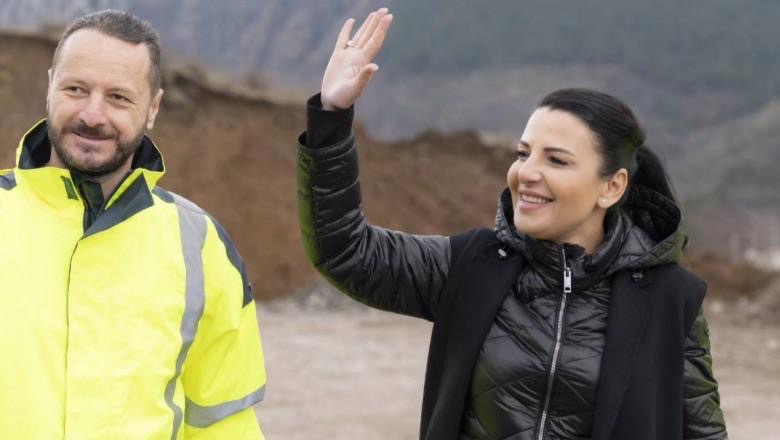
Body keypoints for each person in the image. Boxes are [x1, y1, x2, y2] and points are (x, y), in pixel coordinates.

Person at [297, 8, 727, 440]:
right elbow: (345, 251)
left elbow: (703, 432)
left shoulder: (671, 299)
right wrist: (332, 117)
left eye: (556, 160)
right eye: (524, 153)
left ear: (611, 187)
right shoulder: (471, 266)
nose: (527, 172)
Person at [0, 10, 266, 439]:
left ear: (153, 108)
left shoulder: (200, 245)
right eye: (76, 89)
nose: (93, 115)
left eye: (118, 97)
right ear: (50, 87)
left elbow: (222, 423)